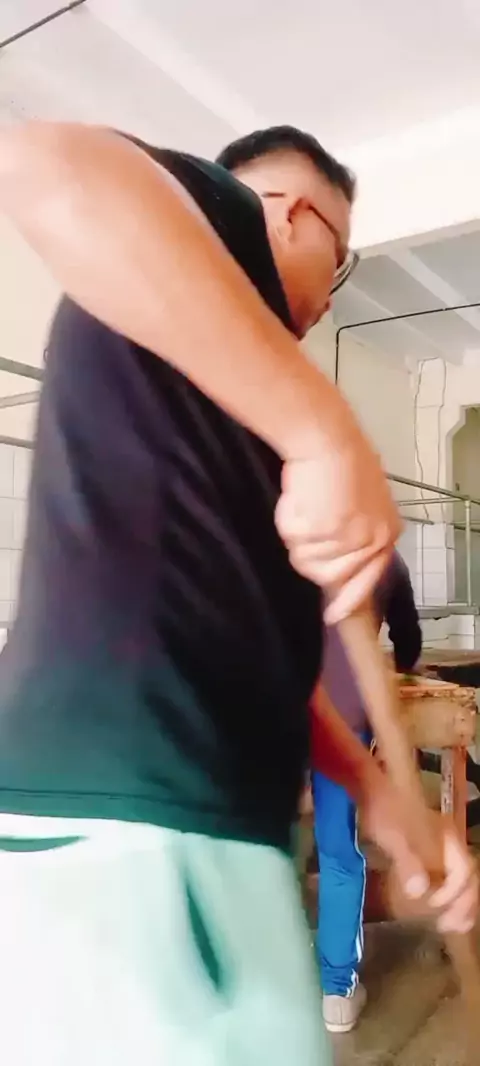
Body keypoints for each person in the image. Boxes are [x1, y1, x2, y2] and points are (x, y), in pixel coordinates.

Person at [0, 121, 475, 1066]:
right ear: (292, 214)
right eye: (339, 261)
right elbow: (40, 165)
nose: (328, 301)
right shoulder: (215, 217)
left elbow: (268, 665)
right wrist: (323, 431)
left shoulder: (245, 403)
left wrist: (386, 805)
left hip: (211, 831)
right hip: (124, 823)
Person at [312, 550, 422, 1033]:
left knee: (256, 844)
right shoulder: (384, 557)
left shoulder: (278, 539)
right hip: (342, 714)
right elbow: (409, 641)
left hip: (271, 708)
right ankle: (337, 992)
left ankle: (247, 978)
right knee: (338, 850)